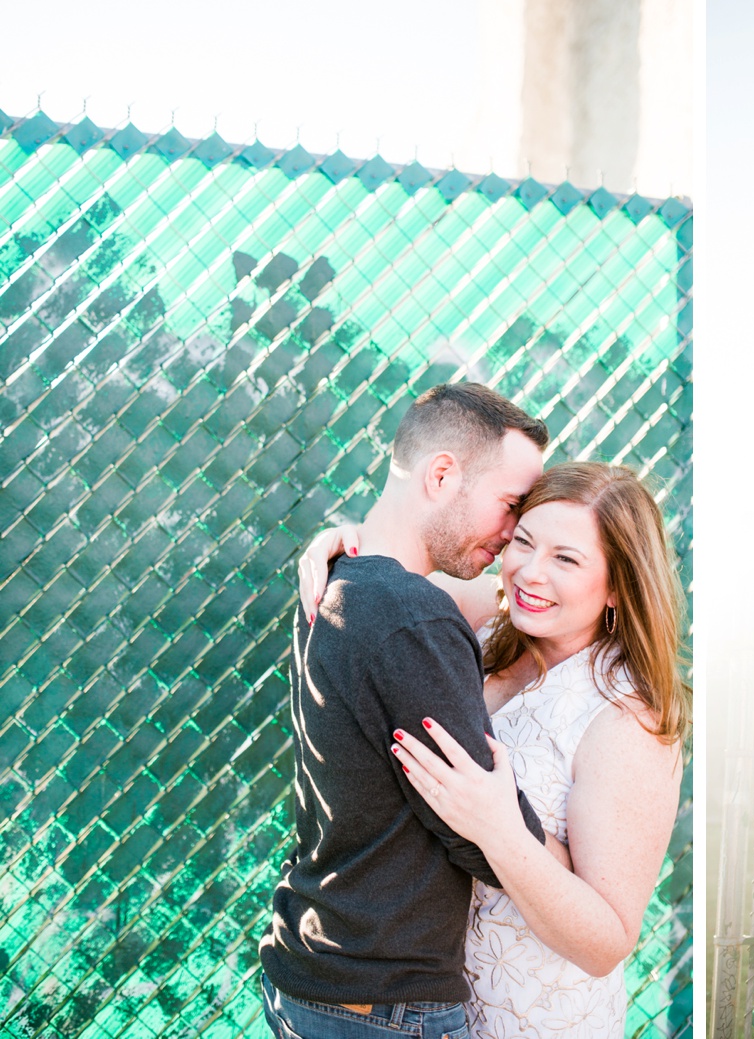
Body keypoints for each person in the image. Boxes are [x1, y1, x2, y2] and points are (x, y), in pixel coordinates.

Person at [297, 460, 689, 1039]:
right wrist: (338, 544)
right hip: (433, 1007)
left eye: (567, 559)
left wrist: (498, 829)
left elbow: (606, 941)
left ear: (617, 586)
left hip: (534, 1018)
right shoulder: (486, 624)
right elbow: (393, 566)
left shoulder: (626, 721)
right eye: (523, 542)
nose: (530, 573)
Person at [259, 383, 553, 1039]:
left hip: (310, 966)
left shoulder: (341, 582)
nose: (512, 537)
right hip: (382, 1003)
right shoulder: (413, 616)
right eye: (510, 507)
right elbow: (478, 833)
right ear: (442, 474)